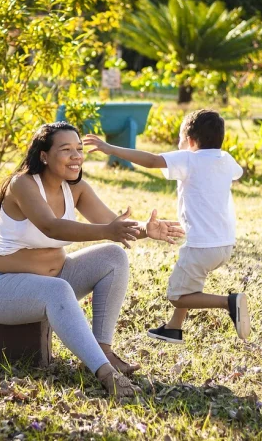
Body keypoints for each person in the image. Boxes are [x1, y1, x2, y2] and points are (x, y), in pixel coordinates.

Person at [0, 122, 184, 398]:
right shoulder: (22, 184)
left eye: (79, 149)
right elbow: (51, 227)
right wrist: (108, 231)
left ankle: (102, 349)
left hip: (55, 277)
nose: (76, 156)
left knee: (114, 256)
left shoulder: (77, 188)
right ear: (44, 155)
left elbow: (112, 224)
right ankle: (106, 374)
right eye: (66, 149)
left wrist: (146, 229)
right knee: (57, 289)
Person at [83, 109, 251, 344]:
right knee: (190, 284)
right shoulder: (226, 159)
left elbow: (151, 160)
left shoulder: (189, 158)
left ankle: (228, 302)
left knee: (179, 296)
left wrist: (111, 149)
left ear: (190, 141)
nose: (178, 145)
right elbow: (237, 175)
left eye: (180, 140)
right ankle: (173, 328)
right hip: (225, 245)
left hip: (201, 247)